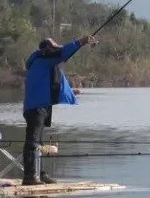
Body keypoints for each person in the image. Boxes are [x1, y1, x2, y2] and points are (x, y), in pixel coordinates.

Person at [21, 35, 96, 185]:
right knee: (33, 142)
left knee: (38, 143)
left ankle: (39, 173)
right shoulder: (43, 60)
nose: (56, 51)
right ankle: (30, 176)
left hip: (40, 105)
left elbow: (55, 82)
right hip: (36, 106)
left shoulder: (42, 62)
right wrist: (81, 41)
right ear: (46, 50)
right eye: (53, 48)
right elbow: (64, 52)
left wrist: (71, 91)